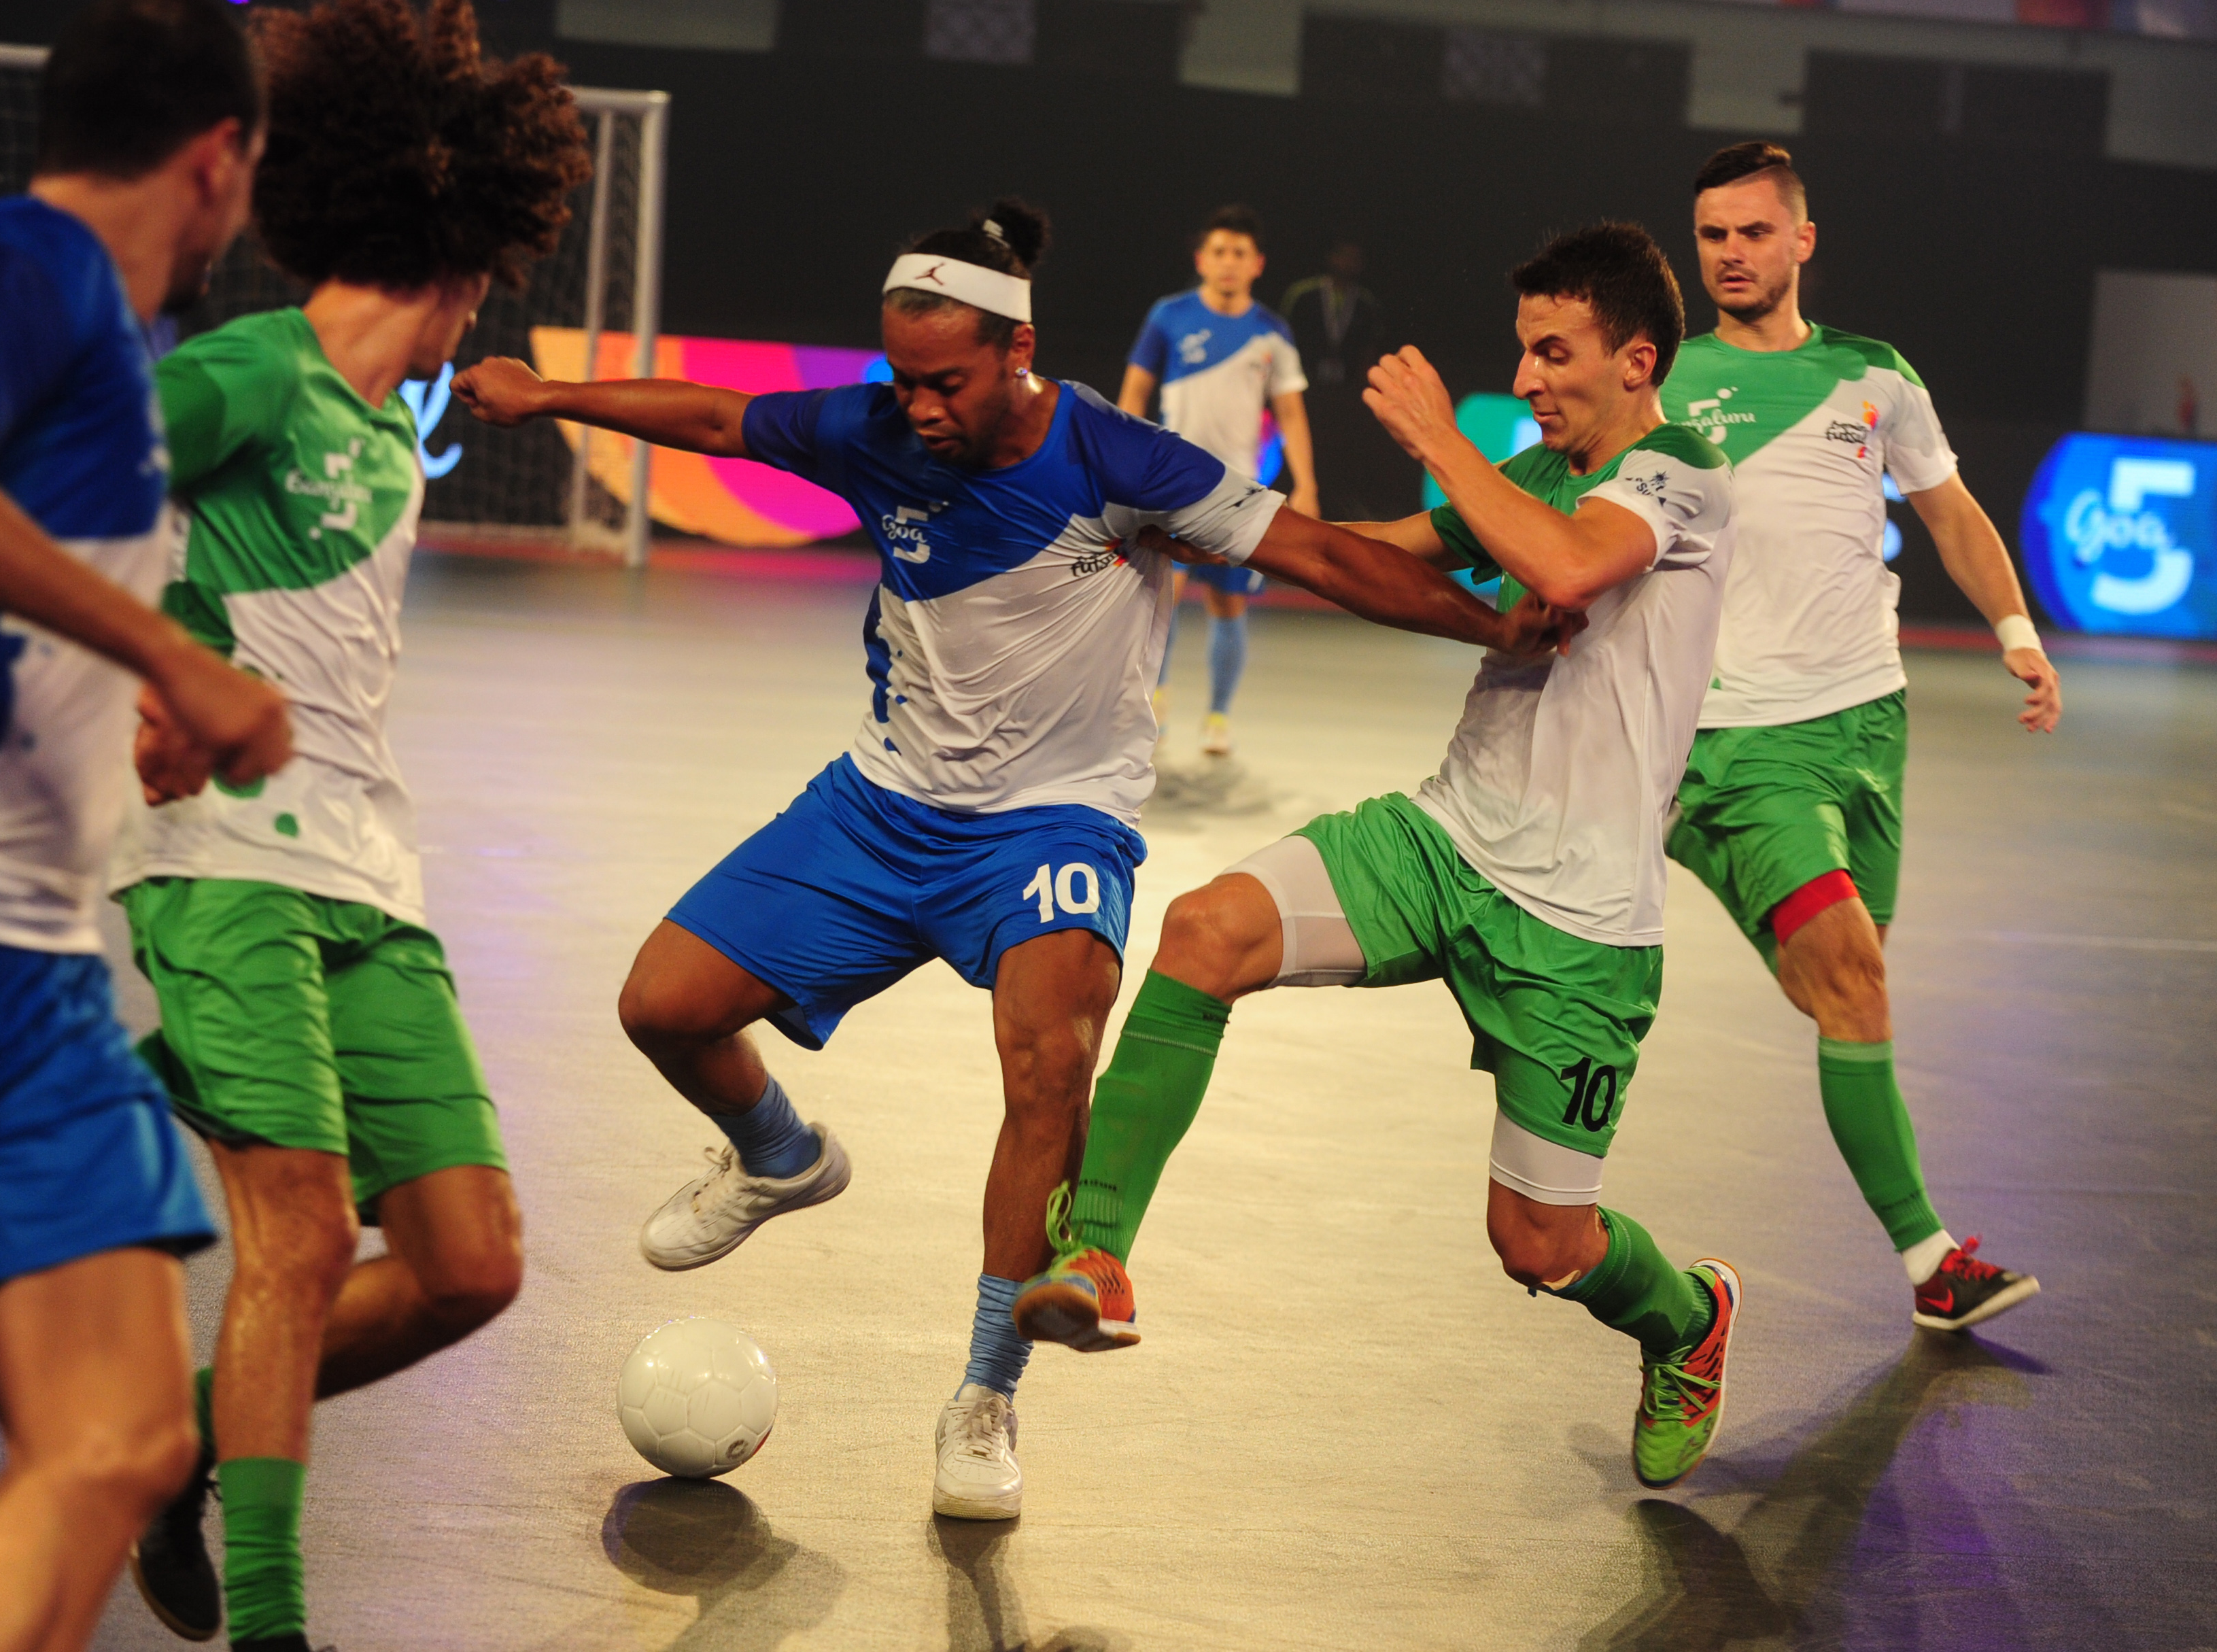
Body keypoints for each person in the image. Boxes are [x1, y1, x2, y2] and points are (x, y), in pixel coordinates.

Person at [451, 199, 1565, 1520]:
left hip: (1051, 825)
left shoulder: (1116, 457)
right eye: (900, 378)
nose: (916, 406)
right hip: (876, 808)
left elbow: (1316, 553)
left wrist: (1485, 629)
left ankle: (984, 1398)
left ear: (1017, 351)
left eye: (946, 382)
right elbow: (707, 416)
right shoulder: (869, 426)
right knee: (661, 1006)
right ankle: (780, 1154)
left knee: (1047, 1066)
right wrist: (543, 395)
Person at [1020, 223, 1756, 1493]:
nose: (1524, 376)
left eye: (1550, 351)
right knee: (1202, 931)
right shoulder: (1529, 466)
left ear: (1636, 360)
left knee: (1537, 1241)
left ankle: (1684, 1324)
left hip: (1578, 931)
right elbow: (1386, 551)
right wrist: (1185, 534)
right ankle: (1094, 1256)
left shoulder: (1684, 474)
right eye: (1518, 350)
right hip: (1440, 840)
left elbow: (1569, 560)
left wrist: (1442, 441)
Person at [114, 5, 591, 1648]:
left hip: (370, 875)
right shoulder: (245, 373)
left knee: (471, 1262)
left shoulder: (392, 427)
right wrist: (151, 669)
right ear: (453, 244)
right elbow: (36, 494)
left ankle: (180, 1442)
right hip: (218, 867)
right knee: (303, 1237)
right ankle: (270, 1624)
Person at [0, 4, 290, 1650]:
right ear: (214, 160)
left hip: (21, 980)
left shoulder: (84, 321)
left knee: (119, 1434)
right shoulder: (29, 261)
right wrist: (169, 654)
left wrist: (124, 725)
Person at [1664, 141, 2057, 1332]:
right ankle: (1930, 1260)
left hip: (1866, 726)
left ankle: (1686, 841)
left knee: (1838, 988)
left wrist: (2012, 628)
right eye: (1710, 237)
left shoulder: (1873, 378)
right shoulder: (1663, 382)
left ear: (1799, 241)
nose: (1728, 255)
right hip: (1737, 735)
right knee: (1849, 979)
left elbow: (1948, 511)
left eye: (1749, 233)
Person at [1122, 204, 1317, 757]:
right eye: (1219, 252)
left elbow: (1292, 414)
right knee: (1163, 596)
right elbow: (1135, 394)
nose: (1228, 263)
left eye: (1239, 254)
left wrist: (1307, 483)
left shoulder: (1272, 332)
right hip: (1170, 487)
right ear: (1201, 259)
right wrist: (1122, 461)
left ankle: (1218, 716)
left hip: (1238, 496)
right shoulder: (1168, 316)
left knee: (1229, 608)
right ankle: (1154, 696)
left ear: (1257, 264)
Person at [1282, 242, 1416, 523]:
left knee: (1339, 447)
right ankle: (1292, 495)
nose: (1348, 262)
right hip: (1306, 385)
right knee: (1302, 438)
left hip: (1345, 390)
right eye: (1343, 255)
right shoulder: (1303, 295)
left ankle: (1337, 504)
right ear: (1330, 257)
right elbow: (1286, 339)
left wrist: (1361, 386)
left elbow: (1369, 347)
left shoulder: (1365, 302)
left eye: (1354, 258)